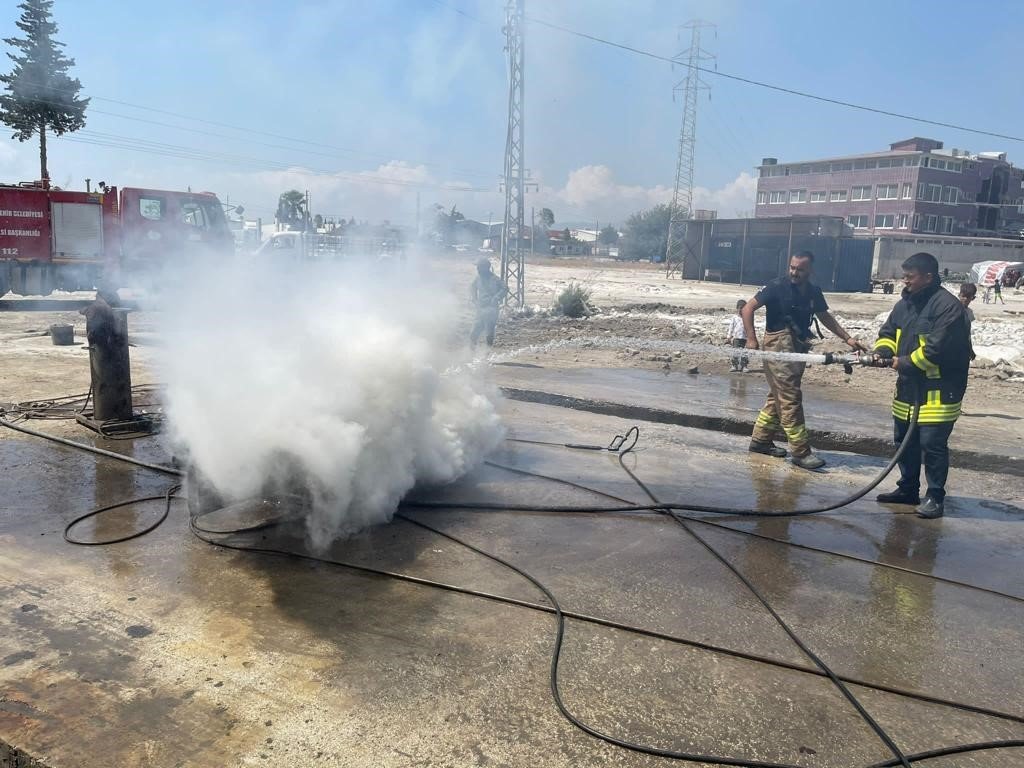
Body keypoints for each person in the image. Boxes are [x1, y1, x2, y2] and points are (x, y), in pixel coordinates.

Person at [742, 250, 868, 470]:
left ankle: (760, 441)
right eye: (792, 267)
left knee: (779, 394)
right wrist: (751, 339)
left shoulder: (813, 292)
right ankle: (800, 452)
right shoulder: (775, 287)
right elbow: (747, 308)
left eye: (800, 269)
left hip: (798, 345)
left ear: (810, 271)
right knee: (790, 396)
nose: (794, 272)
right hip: (778, 346)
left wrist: (847, 338)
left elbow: (824, 316)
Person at [873, 252, 972, 519]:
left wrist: (900, 362)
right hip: (908, 388)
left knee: (932, 444)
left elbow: (935, 350)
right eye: (904, 276)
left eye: (910, 277)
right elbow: (887, 333)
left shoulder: (948, 307)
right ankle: (907, 489)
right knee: (904, 441)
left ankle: (935, 497)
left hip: (940, 389)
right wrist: (883, 353)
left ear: (928, 277)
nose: (905, 282)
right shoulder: (904, 305)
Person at [470, 258, 507, 347]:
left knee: (489, 334)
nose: (477, 269)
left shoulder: (495, 279)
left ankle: (487, 353)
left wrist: (496, 297)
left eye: (479, 267)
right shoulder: (478, 278)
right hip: (480, 309)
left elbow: (505, 288)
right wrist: (474, 299)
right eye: (477, 267)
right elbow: (472, 287)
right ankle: (471, 353)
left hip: (491, 309)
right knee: (473, 333)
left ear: (486, 268)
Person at [727, 299, 749, 373]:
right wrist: (729, 336)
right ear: (737, 308)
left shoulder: (747, 318)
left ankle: (744, 366)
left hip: (745, 338)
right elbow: (731, 327)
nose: (740, 310)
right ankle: (734, 365)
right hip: (736, 338)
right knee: (735, 352)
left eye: (742, 308)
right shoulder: (734, 318)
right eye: (739, 308)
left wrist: (751, 338)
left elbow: (750, 328)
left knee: (745, 353)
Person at [958, 283, 977, 362]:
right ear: (959, 295)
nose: (965, 299)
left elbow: (967, 333)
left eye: (968, 297)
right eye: (963, 296)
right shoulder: (951, 310)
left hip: (963, 348)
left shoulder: (969, 313)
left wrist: (970, 348)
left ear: (973, 298)